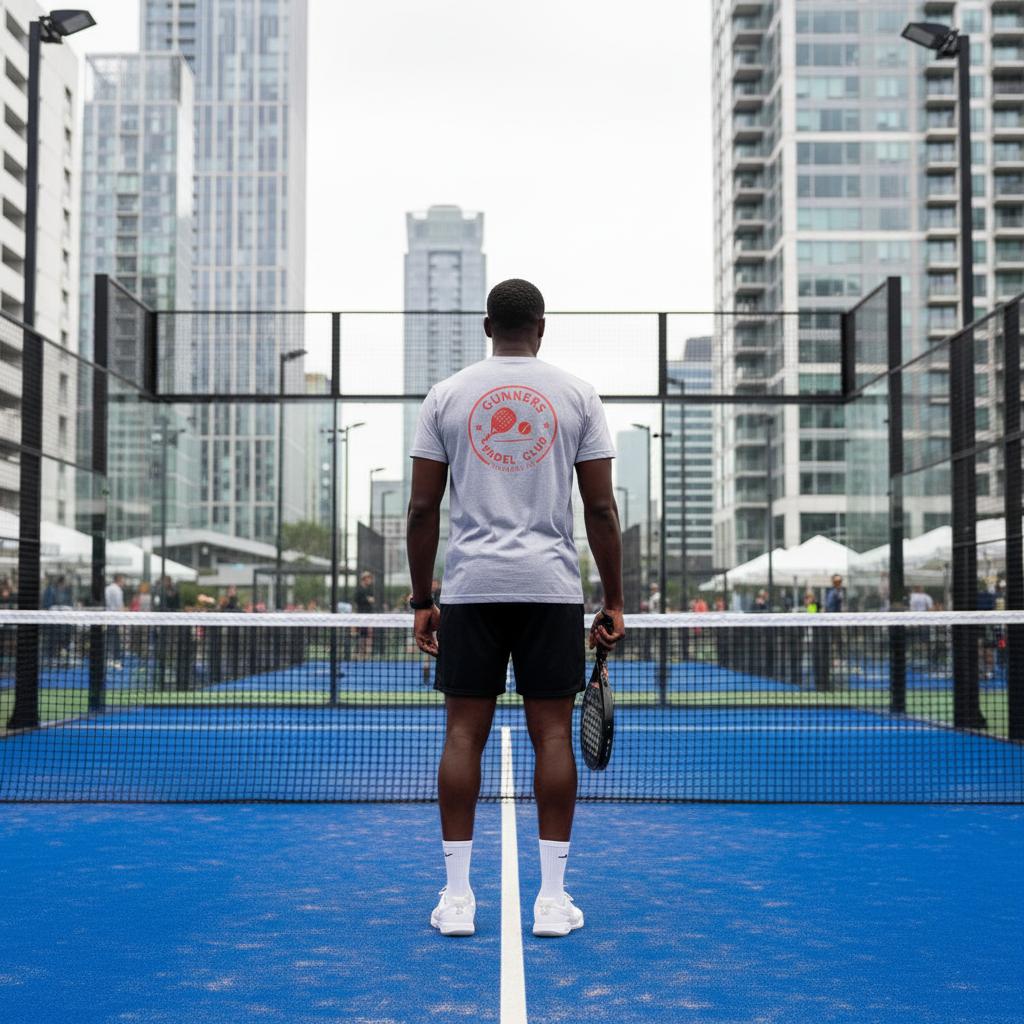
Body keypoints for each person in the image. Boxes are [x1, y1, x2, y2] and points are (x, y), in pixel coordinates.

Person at [407, 279, 624, 938]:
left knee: (462, 735)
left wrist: (423, 599)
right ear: (541, 326)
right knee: (552, 736)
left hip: (471, 588)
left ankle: (457, 899)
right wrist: (614, 599)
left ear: (485, 326)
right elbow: (601, 508)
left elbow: (421, 509)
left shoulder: (446, 395)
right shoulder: (578, 395)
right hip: (551, 590)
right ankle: (553, 902)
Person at [104, 573, 125, 669]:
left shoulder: (107, 589)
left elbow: (106, 603)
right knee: (115, 639)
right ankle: (115, 660)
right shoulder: (118, 590)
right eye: (123, 580)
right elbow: (119, 605)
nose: (124, 582)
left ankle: (109, 659)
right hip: (115, 618)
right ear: (119, 580)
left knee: (109, 638)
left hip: (107, 617)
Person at [354, 570, 376, 658]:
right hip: (361, 615)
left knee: (369, 633)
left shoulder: (370, 590)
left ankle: (367, 653)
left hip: (369, 615)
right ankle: (360, 653)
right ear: (364, 579)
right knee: (362, 633)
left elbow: (372, 599)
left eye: (370, 578)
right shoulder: (359, 590)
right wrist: (367, 600)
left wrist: (369, 600)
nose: (370, 580)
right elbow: (357, 600)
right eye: (368, 578)